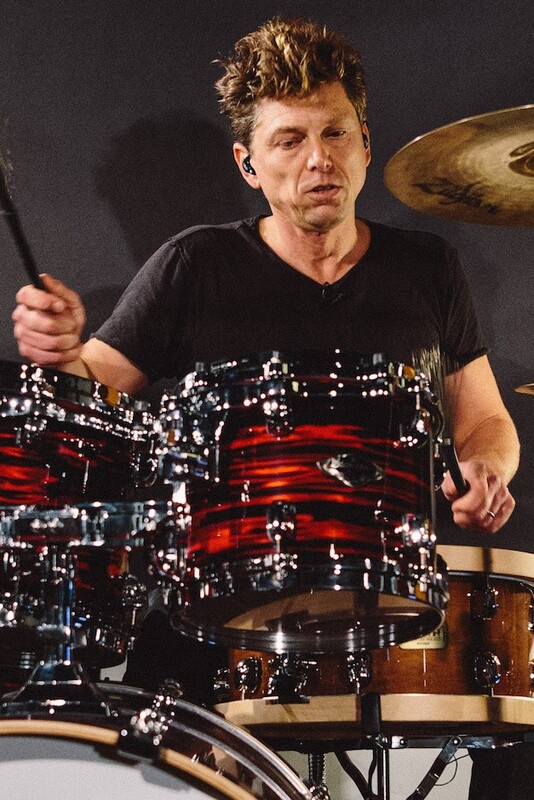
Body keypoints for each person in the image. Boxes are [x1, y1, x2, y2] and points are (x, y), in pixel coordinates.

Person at [11, 17, 521, 798]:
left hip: (390, 614)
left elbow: (484, 419)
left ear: (365, 144)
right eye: (289, 140)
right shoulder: (195, 263)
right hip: (219, 622)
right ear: (248, 164)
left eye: (335, 133)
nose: (319, 158)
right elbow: (93, 396)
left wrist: (485, 468)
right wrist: (60, 350)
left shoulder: (428, 270)